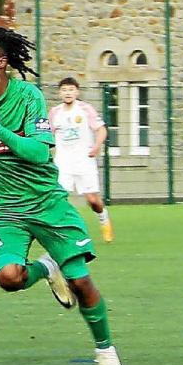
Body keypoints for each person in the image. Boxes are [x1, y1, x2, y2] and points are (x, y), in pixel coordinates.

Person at [0, 26, 123, 365]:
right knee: (8, 277)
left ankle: (105, 350)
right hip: (4, 210)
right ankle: (46, 267)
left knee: (81, 282)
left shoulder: (28, 97)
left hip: (46, 203)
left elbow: (40, 154)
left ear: (1, 63)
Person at [49, 77, 114, 242]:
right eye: (64, 90)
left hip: (84, 160)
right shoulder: (55, 112)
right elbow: (47, 135)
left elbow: (101, 130)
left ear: (77, 92)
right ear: (60, 93)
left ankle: (103, 218)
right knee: (59, 197)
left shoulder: (85, 109)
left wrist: (97, 146)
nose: (68, 93)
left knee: (92, 200)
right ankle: (64, 232)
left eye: (71, 89)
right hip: (63, 161)